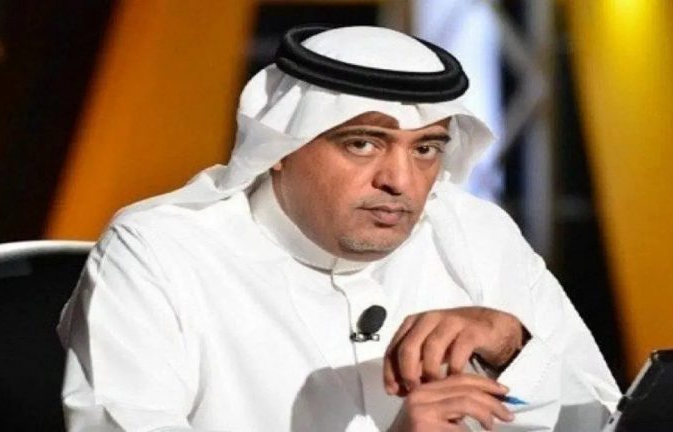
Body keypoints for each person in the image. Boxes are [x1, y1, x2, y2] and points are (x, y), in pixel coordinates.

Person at [58, 25, 621, 431]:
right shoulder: (161, 250)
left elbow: (604, 422)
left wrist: (512, 346)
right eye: (363, 144)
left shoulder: (475, 233)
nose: (401, 181)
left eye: (426, 149)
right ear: (280, 147)